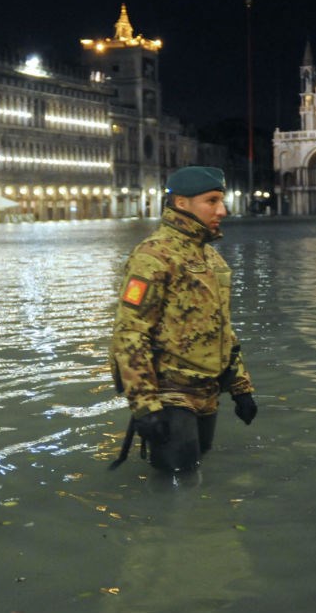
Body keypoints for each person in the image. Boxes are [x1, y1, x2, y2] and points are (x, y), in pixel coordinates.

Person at [109, 166, 257, 473]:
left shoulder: (211, 258)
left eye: (221, 200)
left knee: (195, 470)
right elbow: (130, 331)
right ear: (181, 203)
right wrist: (145, 406)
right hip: (169, 392)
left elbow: (221, 328)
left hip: (207, 391)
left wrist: (241, 387)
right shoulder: (153, 256)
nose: (223, 210)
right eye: (212, 201)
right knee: (178, 480)